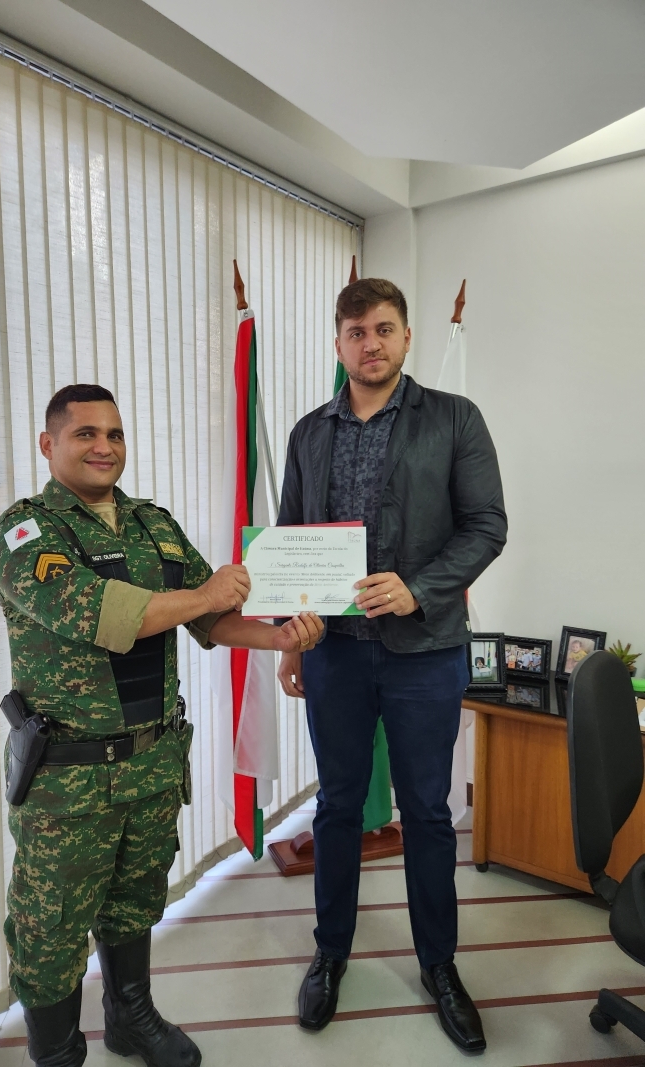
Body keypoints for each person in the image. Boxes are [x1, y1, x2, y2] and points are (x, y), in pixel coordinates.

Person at [0, 384, 323, 1067]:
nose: (104, 446)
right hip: (69, 781)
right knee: (51, 929)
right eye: (85, 433)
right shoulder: (26, 533)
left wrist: (280, 635)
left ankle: (131, 1018)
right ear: (49, 444)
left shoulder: (152, 525)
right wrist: (205, 593)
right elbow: (105, 614)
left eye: (114, 433)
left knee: (136, 902)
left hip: (150, 763)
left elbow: (213, 616)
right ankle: (57, 1054)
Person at [276, 279, 507, 1053]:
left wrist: (419, 587)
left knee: (428, 813)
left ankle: (440, 965)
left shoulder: (455, 418)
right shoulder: (308, 433)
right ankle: (330, 953)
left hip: (425, 653)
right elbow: (289, 538)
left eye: (382, 329)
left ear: (406, 337)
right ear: (338, 344)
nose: (369, 344)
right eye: (355, 332)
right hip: (335, 654)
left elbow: (486, 525)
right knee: (338, 808)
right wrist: (289, 635)